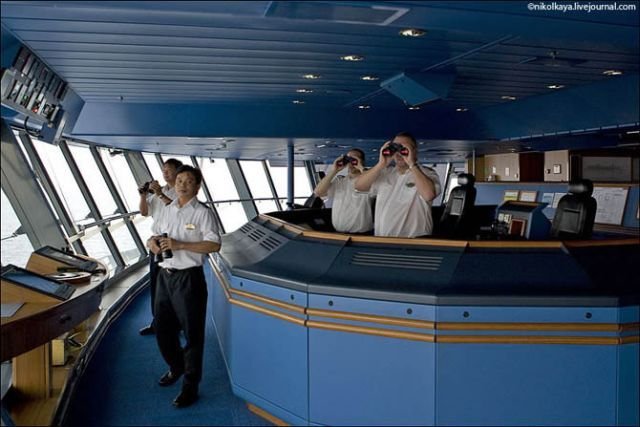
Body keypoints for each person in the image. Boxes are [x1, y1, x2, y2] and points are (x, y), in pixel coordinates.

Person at [147, 165, 221, 408]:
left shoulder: (202, 213)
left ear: (197, 187)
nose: (182, 184)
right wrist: (152, 243)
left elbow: (214, 245)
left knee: (192, 335)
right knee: (162, 329)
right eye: (179, 180)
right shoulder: (167, 209)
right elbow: (154, 235)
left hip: (189, 279)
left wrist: (180, 245)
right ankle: (177, 366)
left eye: (189, 181)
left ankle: (190, 387)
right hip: (164, 276)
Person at [354, 132, 441, 238]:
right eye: (395, 148)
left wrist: (412, 164)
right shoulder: (385, 173)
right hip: (382, 241)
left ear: (414, 151)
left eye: (404, 149)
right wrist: (381, 164)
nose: (399, 153)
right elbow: (359, 186)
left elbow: (429, 195)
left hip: (414, 242)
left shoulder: (427, 173)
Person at [138, 158, 183, 336]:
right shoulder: (159, 192)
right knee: (156, 285)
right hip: (156, 243)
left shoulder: (181, 192)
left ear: (178, 172)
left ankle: (177, 323)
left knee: (173, 286)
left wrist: (158, 193)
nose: (164, 173)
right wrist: (143, 196)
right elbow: (144, 212)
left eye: (168, 170)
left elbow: (177, 211)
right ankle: (157, 322)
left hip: (172, 243)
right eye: (163, 170)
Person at [314, 149, 373, 233]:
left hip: (361, 235)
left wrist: (361, 168)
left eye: (354, 159)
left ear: (362, 161)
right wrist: (334, 170)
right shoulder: (340, 181)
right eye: (348, 159)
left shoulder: (369, 182)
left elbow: (373, 182)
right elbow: (318, 192)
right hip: (339, 233)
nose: (351, 163)